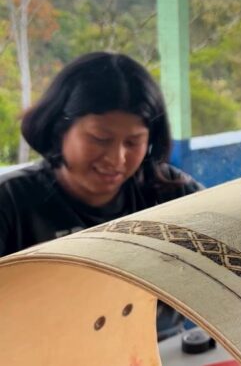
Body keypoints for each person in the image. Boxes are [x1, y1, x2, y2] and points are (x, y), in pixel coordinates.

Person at [0, 52, 203, 338]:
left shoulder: (169, 191)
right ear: (60, 129)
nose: (116, 159)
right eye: (99, 139)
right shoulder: (11, 202)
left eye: (133, 142)